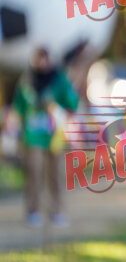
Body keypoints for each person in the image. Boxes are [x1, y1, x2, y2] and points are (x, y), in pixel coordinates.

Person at [11, 47, 79, 227]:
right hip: (33, 136)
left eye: (44, 59)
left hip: (55, 136)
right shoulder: (27, 80)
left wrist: (59, 106)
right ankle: (33, 211)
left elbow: (72, 102)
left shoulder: (59, 79)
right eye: (38, 59)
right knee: (34, 172)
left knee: (56, 174)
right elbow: (18, 106)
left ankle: (57, 211)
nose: (42, 63)